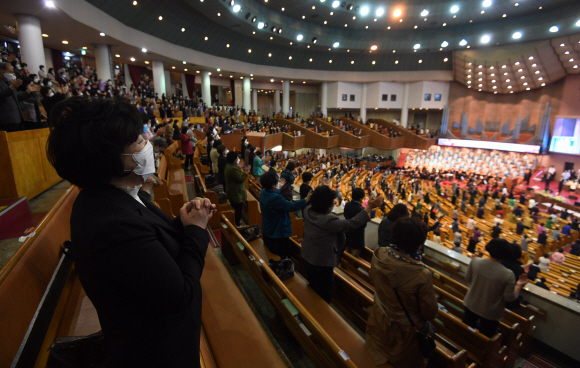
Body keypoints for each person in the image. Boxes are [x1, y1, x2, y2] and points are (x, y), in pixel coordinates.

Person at [46, 97, 216, 366]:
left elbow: (150, 244)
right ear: (112, 159)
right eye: (138, 140)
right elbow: (180, 295)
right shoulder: (112, 225)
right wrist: (196, 230)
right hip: (157, 351)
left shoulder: (114, 196)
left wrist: (181, 223)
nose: (148, 143)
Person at [365, 217, 438, 368]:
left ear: (393, 234)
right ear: (420, 243)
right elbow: (429, 313)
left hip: (377, 319)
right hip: (404, 337)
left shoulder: (379, 254)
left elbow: (373, 279)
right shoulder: (422, 274)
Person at [301, 186, 383, 303]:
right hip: (321, 263)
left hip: (306, 255)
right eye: (332, 203)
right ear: (328, 206)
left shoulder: (308, 211)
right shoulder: (328, 222)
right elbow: (351, 223)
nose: (333, 205)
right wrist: (369, 207)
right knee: (324, 293)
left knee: (313, 284)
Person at [462, 238, 528, 338]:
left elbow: (467, 278)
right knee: (485, 338)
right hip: (490, 312)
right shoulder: (508, 274)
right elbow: (509, 298)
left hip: (471, 303)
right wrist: (519, 285)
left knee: (465, 332)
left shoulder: (475, 261)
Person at [259, 171, 311, 261]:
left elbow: (275, 195)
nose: (279, 181)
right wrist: (306, 199)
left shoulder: (264, 191)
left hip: (268, 229)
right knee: (283, 257)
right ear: (273, 185)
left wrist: (279, 188)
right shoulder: (275, 198)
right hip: (277, 233)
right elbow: (291, 206)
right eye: (277, 180)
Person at [0, 62, 30, 131]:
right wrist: (11, 88)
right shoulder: (9, 85)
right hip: (6, 121)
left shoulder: (9, 83)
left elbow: (16, 97)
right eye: (10, 72)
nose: (12, 74)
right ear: (1, 70)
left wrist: (28, 92)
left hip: (17, 118)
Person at [225, 151, 250, 226]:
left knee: (237, 208)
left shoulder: (229, 166)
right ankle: (237, 224)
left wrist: (239, 168)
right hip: (236, 193)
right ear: (234, 160)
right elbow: (240, 179)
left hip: (232, 191)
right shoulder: (233, 169)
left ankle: (236, 223)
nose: (238, 159)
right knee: (238, 210)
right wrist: (245, 171)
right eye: (237, 158)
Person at [344, 188, 367, 258]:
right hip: (357, 238)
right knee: (354, 259)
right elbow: (364, 225)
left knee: (345, 255)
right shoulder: (361, 210)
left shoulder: (347, 205)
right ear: (361, 198)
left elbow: (345, 216)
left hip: (347, 234)